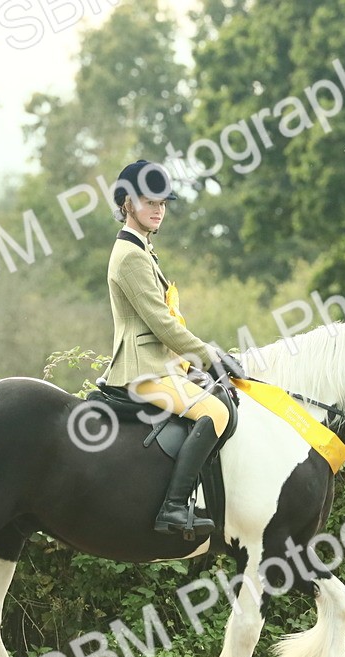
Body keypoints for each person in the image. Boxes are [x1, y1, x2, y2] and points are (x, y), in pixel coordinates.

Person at [99, 160, 244, 536]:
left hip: (162, 365)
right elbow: (162, 325)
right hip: (142, 370)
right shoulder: (130, 256)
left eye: (163, 203)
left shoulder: (142, 250)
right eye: (149, 202)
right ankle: (174, 508)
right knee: (214, 412)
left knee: (224, 400)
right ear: (127, 203)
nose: (158, 210)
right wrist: (210, 356)